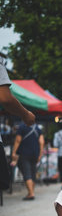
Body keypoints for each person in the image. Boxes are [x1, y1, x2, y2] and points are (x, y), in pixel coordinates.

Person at [0, 56, 35, 192]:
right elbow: (5, 98)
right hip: (30, 153)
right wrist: (26, 114)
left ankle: (31, 192)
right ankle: (31, 192)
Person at [11, 122, 44, 200]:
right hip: (35, 154)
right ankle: (31, 192)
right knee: (33, 173)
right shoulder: (37, 128)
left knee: (27, 173)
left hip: (24, 153)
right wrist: (40, 155)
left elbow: (17, 140)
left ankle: (31, 193)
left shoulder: (22, 127)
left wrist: (14, 152)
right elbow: (42, 142)